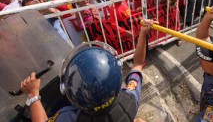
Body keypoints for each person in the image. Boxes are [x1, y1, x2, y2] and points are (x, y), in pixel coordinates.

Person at [20, 19, 158, 122]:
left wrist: (33, 95)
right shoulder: (130, 99)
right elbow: (138, 64)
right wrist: (143, 33)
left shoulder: (69, 117)